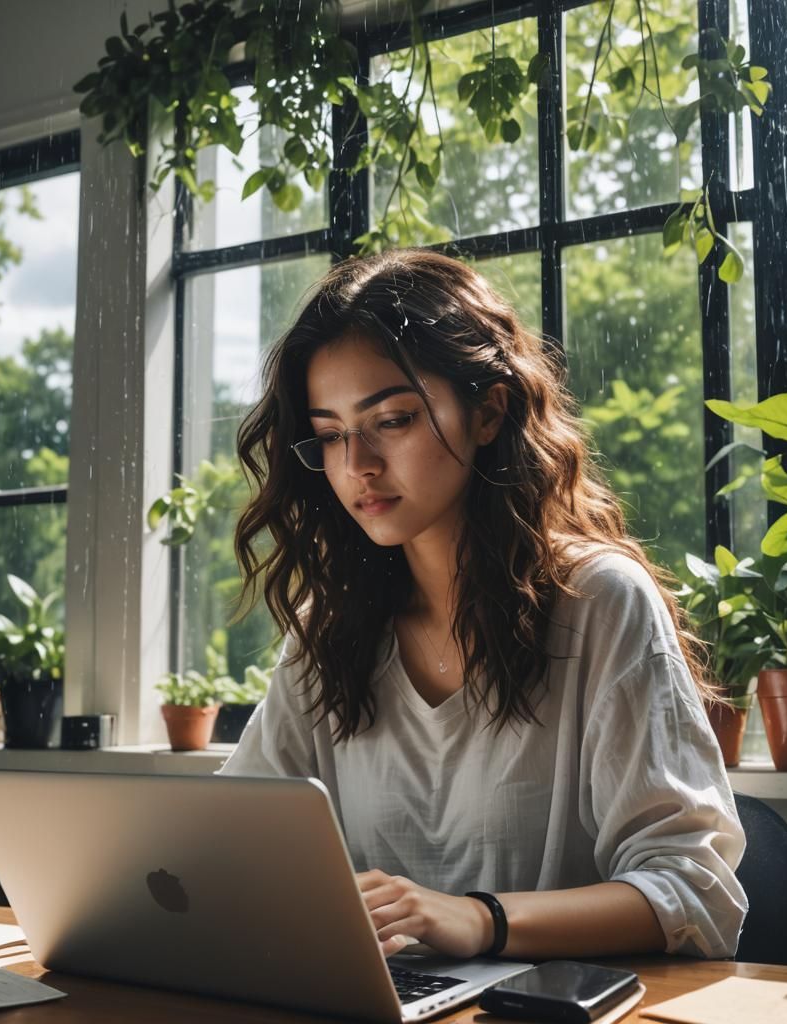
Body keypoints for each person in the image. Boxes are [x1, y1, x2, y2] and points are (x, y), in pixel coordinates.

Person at [221, 248, 747, 963]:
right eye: (331, 435)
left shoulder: (598, 603)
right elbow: (229, 846)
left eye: (394, 420)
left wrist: (480, 919)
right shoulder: (330, 629)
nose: (358, 467)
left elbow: (693, 889)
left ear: (489, 411)